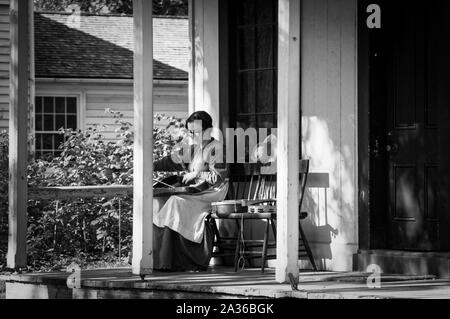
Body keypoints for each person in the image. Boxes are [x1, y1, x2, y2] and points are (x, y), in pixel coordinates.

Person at [152, 111, 228, 271]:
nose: (193, 135)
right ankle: (159, 259)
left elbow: (218, 178)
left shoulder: (217, 148)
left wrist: (197, 173)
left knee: (175, 202)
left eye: (197, 132)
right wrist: (149, 165)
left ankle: (183, 260)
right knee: (157, 201)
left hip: (212, 192)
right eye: (190, 132)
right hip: (194, 191)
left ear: (209, 130)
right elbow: (170, 161)